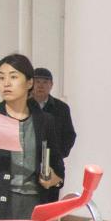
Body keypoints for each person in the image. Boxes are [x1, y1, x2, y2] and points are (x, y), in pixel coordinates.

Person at [0, 54, 65, 220]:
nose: (6, 83)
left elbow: (57, 165)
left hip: (34, 203)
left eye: (13, 77)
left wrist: (55, 180)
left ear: (29, 83)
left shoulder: (45, 121)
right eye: (1, 78)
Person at [31, 67, 76, 202]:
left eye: (45, 82)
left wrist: (58, 154)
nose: (40, 86)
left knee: (49, 203)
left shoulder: (61, 108)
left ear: (51, 85)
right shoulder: (23, 106)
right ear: (30, 84)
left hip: (52, 165)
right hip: (29, 164)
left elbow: (70, 135)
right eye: (37, 82)